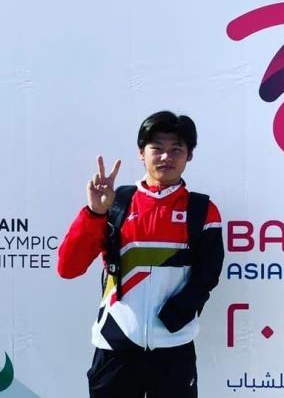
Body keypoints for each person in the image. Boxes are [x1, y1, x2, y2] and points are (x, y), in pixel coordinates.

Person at [57, 111, 224, 398]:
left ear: (189, 156)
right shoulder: (115, 203)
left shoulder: (202, 210)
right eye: (156, 148)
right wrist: (96, 213)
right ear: (141, 153)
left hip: (174, 348)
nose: (165, 157)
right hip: (115, 346)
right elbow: (68, 268)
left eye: (176, 150)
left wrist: (177, 316)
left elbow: (207, 275)